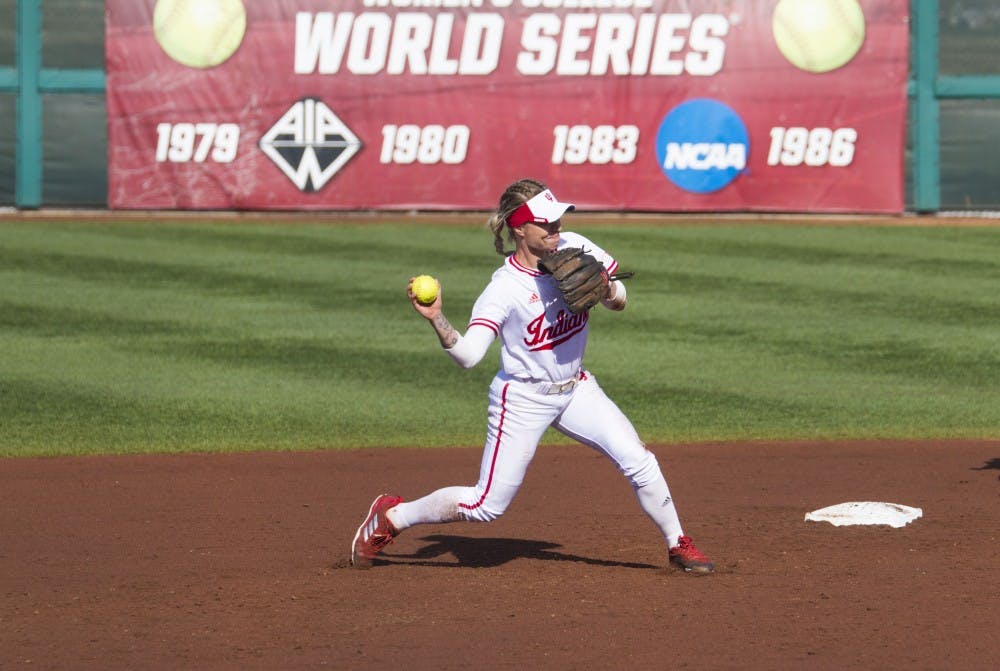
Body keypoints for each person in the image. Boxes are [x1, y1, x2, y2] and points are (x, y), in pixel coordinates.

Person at [350, 178, 714, 574]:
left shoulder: (576, 246)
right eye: (548, 225)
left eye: (559, 222)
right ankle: (393, 518)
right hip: (523, 398)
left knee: (639, 460)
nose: (558, 232)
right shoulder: (503, 289)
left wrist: (608, 290)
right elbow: (470, 357)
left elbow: (620, 301)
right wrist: (437, 317)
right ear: (520, 228)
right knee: (485, 506)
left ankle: (678, 543)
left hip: (577, 389)